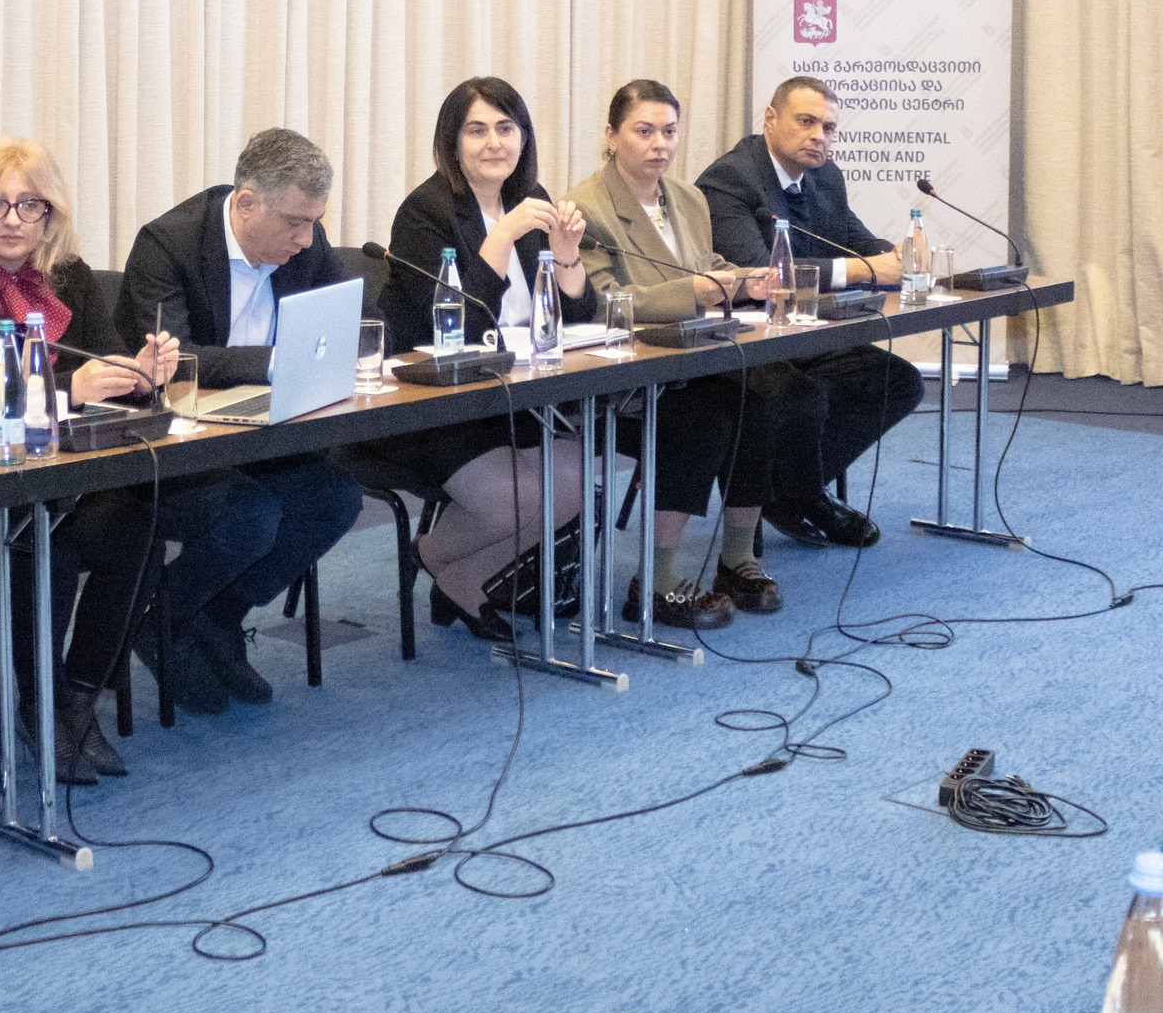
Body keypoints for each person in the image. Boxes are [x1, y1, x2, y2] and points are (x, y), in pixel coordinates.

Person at [0, 136, 183, 781]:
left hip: (65, 483)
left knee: (141, 517)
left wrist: (140, 372)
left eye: (30, 205)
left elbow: (104, 361)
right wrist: (67, 391)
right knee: (44, 544)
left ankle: (80, 695)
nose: (12, 220)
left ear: (50, 214)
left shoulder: (69, 279)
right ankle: (40, 703)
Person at [115, 128, 366, 705]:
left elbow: (360, 320)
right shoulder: (166, 245)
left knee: (335, 498)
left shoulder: (305, 241)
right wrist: (277, 361)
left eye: (314, 222)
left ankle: (215, 617)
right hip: (178, 451)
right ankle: (163, 618)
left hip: (265, 436)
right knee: (251, 516)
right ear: (247, 202)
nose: (307, 239)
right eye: (295, 223)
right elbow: (175, 361)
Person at [372, 78, 597, 643]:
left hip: (516, 395)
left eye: (505, 128)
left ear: (524, 137)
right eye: (477, 130)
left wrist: (567, 258)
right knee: (521, 499)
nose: (494, 142)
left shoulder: (530, 197)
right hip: (437, 405)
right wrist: (505, 234)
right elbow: (457, 328)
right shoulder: (424, 213)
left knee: (576, 482)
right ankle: (431, 553)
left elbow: (576, 318)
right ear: (452, 142)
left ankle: (461, 578)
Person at [571, 81, 787, 630]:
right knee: (702, 414)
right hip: (626, 379)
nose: (660, 144)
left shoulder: (688, 198)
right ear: (611, 136)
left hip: (695, 359)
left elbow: (708, 265)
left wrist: (745, 280)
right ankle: (655, 581)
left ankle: (737, 560)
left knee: (764, 392)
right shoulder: (586, 209)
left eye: (669, 132)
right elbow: (603, 303)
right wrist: (695, 292)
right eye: (643, 131)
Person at [697, 75, 925, 546]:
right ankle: (803, 496)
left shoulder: (826, 176)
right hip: (748, 344)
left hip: (807, 334)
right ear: (770, 119)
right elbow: (763, 275)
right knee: (802, 396)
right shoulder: (731, 179)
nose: (819, 136)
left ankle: (788, 493)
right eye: (806, 122)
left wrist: (898, 257)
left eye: (828, 127)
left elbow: (856, 241)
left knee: (898, 381)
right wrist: (864, 269)